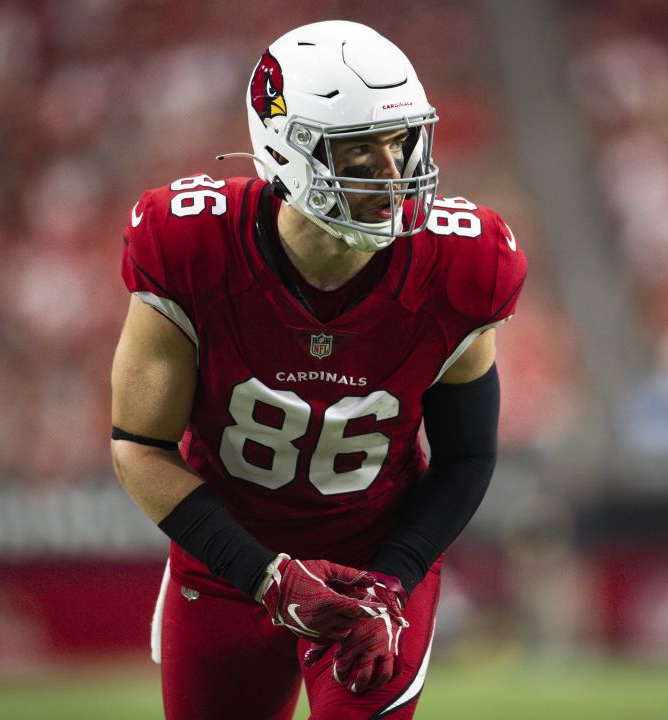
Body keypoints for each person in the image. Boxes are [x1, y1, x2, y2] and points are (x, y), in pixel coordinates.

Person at [109, 20, 526, 720]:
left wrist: (392, 582)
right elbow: (139, 445)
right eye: (359, 154)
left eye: (402, 143)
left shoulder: (465, 263)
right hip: (228, 565)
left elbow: (468, 454)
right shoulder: (189, 243)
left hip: (377, 559)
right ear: (284, 151)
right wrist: (265, 577)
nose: (395, 176)